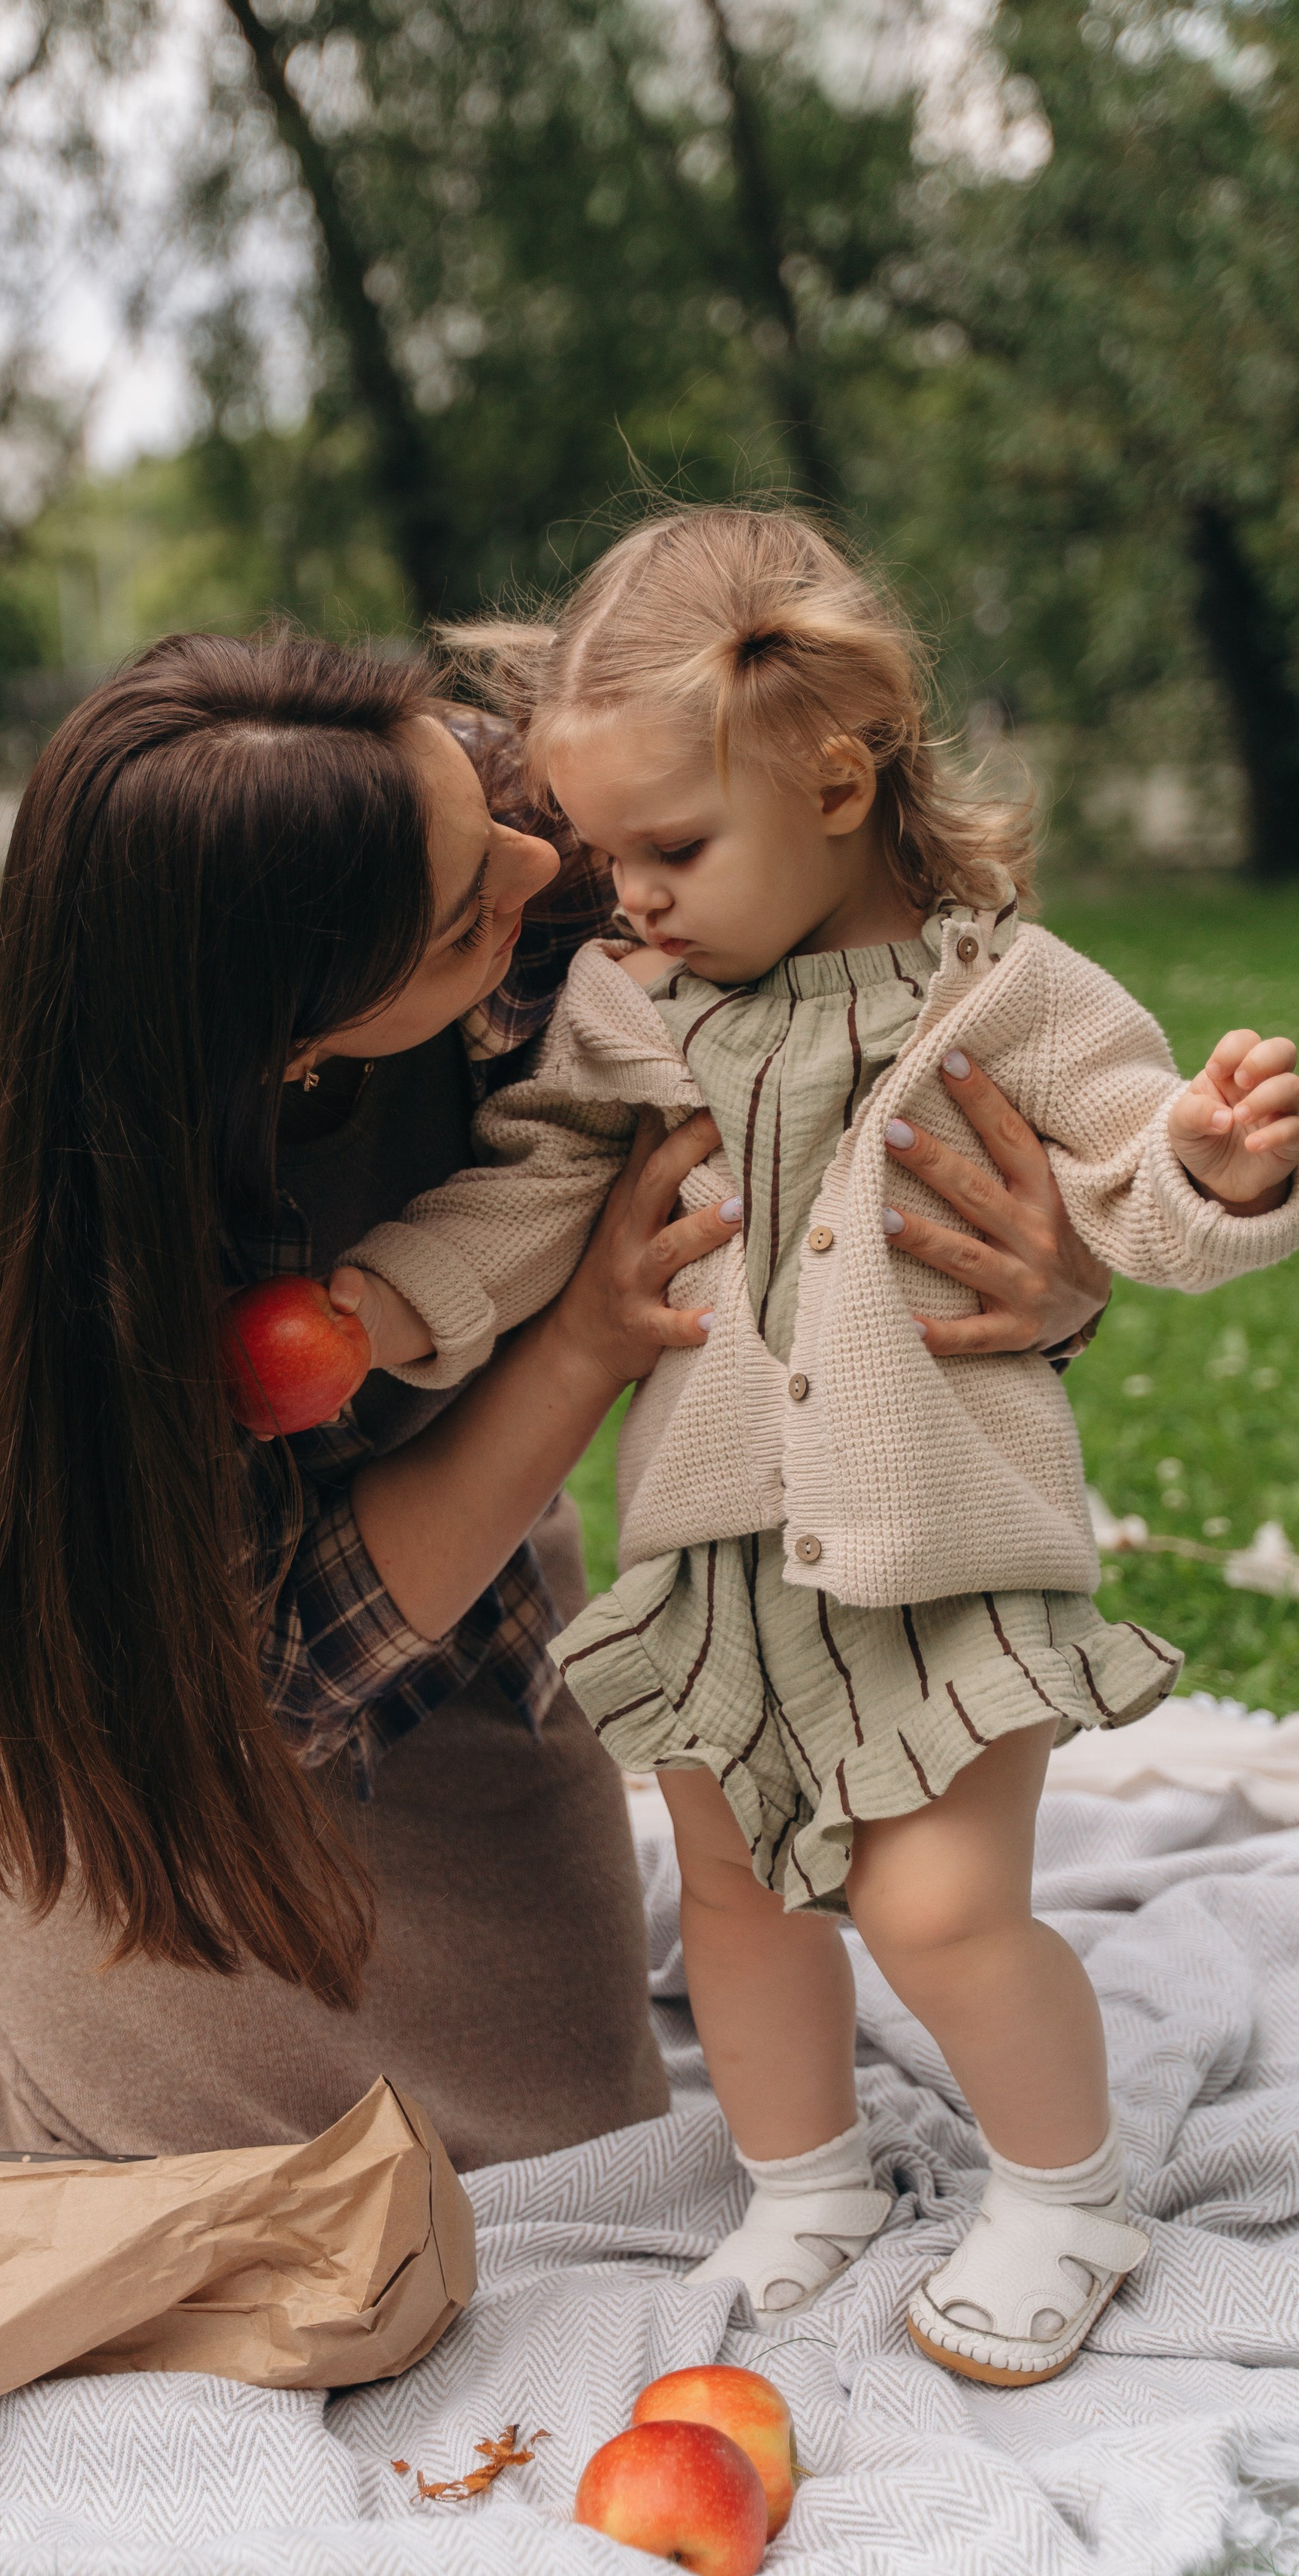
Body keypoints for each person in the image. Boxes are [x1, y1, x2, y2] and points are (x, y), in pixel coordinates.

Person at [0, 630, 1114, 2223]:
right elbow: (282, 1661)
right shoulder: (10, 1232)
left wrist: (1049, 1259)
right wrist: (572, 1346)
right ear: (301, 1032)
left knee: (559, 2121)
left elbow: (879, 1005)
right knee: (263, 2160)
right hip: (66, 1531)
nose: (538, 863)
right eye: (466, 911)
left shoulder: (518, 816)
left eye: (478, 802)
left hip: (421, 1430)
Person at [329, 506, 1299, 2387]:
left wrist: (1210, 1162)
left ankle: (1063, 2189)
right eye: (606, 854)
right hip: (710, 1547)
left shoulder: (1004, 993)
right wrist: (385, 1304)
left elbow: (1118, 1189)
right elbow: (531, 1198)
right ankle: (803, 2181)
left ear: (837, 774)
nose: (631, 895)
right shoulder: (629, 1011)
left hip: (943, 1537)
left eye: (669, 847)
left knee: (934, 1902)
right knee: (738, 1894)